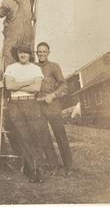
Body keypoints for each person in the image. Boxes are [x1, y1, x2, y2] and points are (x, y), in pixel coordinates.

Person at [4, 43, 45, 182]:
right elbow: (9, 86)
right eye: (20, 52)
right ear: (17, 53)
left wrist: (18, 84)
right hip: (15, 104)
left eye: (26, 52)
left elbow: (37, 88)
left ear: (30, 54)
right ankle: (31, 170)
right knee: (23, 137)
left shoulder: (36, 68)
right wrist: (28, 82)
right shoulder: (11, 68)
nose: (23, 55)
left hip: (31, 103)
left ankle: (38, 169)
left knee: (35, 136)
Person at [36, 42, 73, 177]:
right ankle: (53, 166)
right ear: (36, 53)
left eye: (44, 52)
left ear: (48, 53)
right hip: (38, 106)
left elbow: (64, 85)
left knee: (60, 135)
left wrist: (53, 95)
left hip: (52, 105)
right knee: (44, 136)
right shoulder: (33, 67)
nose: (41, 54)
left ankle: (68, 166)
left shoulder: (54, 66)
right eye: (39, 52)